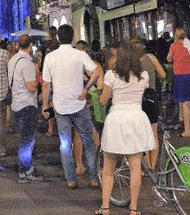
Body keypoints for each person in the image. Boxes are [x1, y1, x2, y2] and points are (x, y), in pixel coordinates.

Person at [97, 41, 156, 215]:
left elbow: (103, 100)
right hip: (136, 118)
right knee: (135, 166)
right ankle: (133, 209)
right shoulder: (143, 76)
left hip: (116, 119)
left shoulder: (111, 76)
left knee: (108, 168)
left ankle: (105, 207)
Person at [42, 24, 102, 189]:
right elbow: (96, 72)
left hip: (60, 106)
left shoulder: (50, 57)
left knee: (65, 143)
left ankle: (70, 179)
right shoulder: (80, 54)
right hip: (79, 104)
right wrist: (86, 88)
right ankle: (93, 177)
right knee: (88, 141)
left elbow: (46, 84)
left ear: (58, 38)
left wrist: (45, 104)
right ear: (73, 37)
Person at [8, 33, 42, 182]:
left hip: (16, 103)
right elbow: (31, 87)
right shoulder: (27, 63)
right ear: (30, 46)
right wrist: (37, 72)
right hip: (27, 104)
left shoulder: (13, 60)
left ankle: (24, 168)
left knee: (24, 138)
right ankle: (25, 170)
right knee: (27, 140)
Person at [133, 37, 166, 169]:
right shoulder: (151, 57)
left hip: (139, 99)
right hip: (152, 96)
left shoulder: (132, 63)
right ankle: (152, 165)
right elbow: (163, 74)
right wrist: (153, 77)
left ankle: (146, 168)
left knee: (142, 135)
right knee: (153, 134)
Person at [167, 28, 190, 138]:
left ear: (176, 36)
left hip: (180, 77)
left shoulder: (173, 46)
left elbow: (168, 59)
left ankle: (187, 131)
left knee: (185, 104)